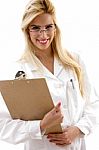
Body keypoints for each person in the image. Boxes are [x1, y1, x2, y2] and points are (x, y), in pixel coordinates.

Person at [0, 0, 98, 149]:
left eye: (48, 27)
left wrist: (78, 130)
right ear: (27, 30)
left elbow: (93, 103)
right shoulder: (19, 70)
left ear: (55, 28)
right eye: (36, 28)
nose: (43, 35)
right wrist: (40, 125)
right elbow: (3, 125)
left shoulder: (74, 61)